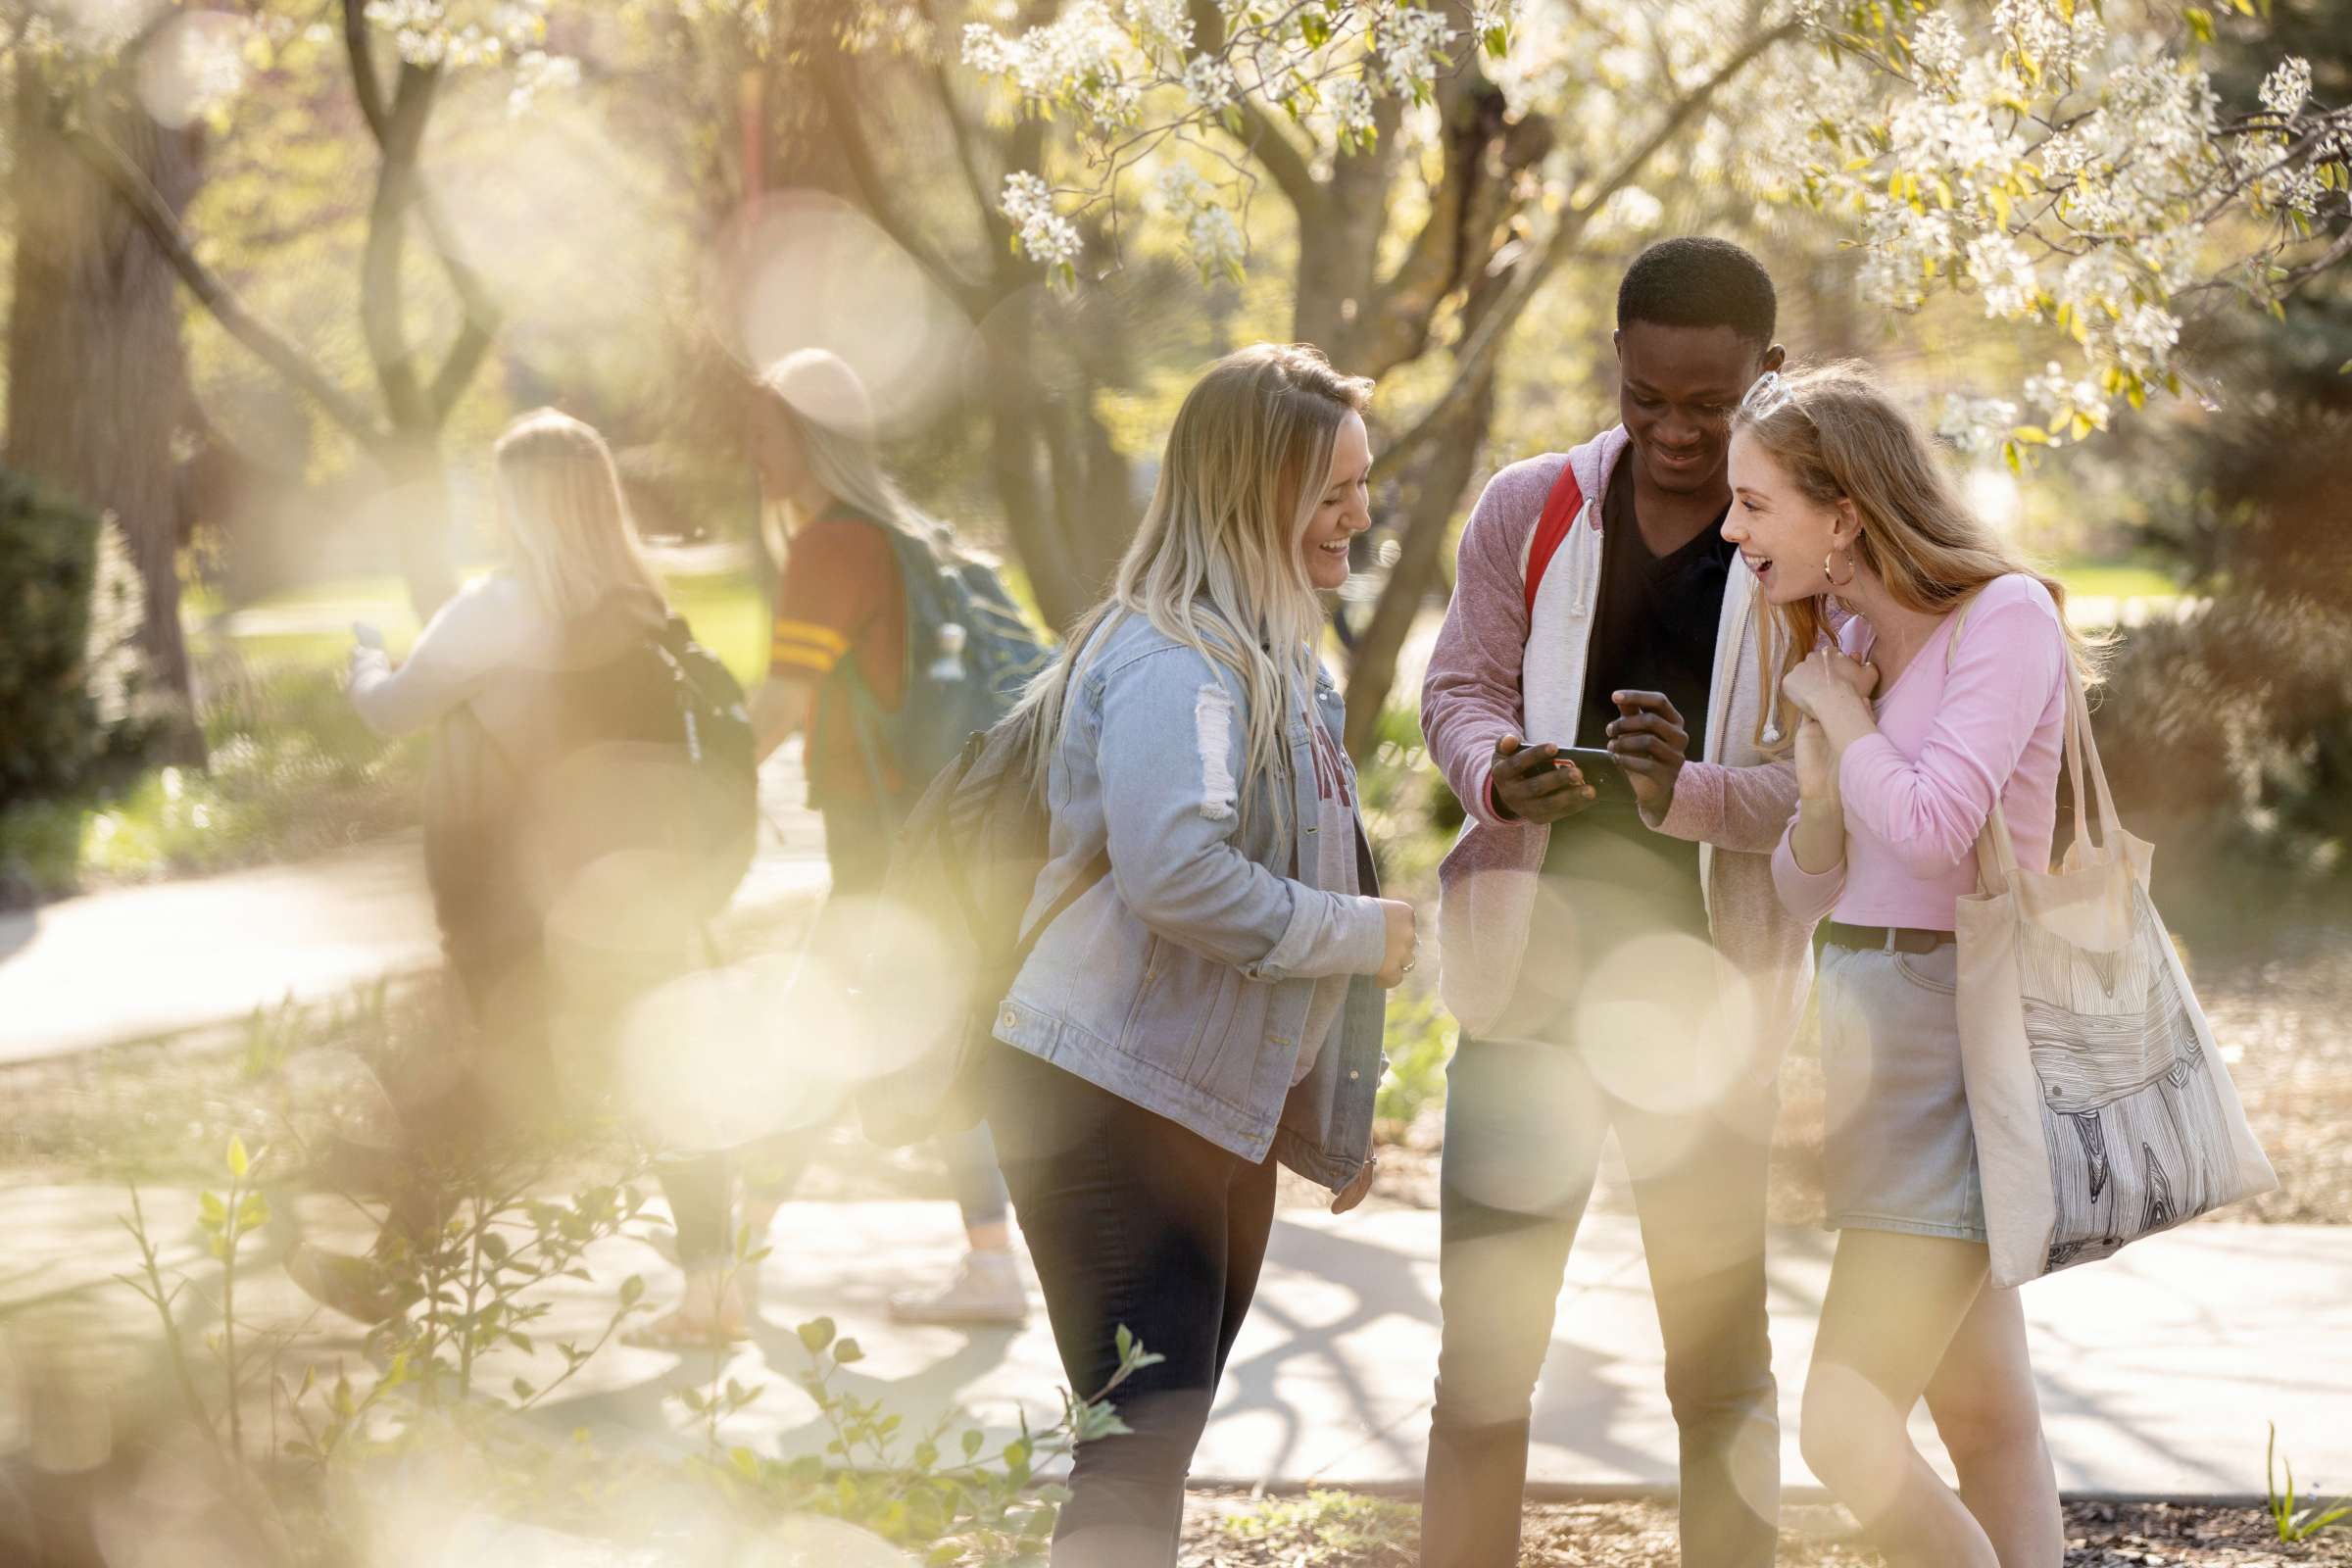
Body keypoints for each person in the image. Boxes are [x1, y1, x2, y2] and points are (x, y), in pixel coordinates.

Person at [1416, 237, 1823, 1567]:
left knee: (1717, 1376)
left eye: (1710, 405)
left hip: (1703, 1020)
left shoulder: (1798, 543)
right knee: (1483, 1370)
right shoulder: (1530, 509)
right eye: (1649, 396)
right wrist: (1496, 772)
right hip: (1526, 1002)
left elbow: (1821, 791)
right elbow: (1458, 689)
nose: (1676, 431)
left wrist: (1683, 792)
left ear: (1770, 375)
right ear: (1617, 362)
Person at [989, 343, 1416, 1566]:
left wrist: (1333, 1108)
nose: (1359, 513)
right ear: (1252, 497)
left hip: (1200, 1108)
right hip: (1105, 1097)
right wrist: (1363, 938)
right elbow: (1178, 875)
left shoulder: (1284, 663)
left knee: (1153, 1441)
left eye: (1362, 481)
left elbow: (1304, 883)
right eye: (1332, 490)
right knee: (1135, 1448)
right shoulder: (1179, 661)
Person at [1734, 362, 2081, 1567]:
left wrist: (1852, 717)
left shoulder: (2007, 621)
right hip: (1873, 1021)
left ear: (1844, 513)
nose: (1732, 530)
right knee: (1987, 1417)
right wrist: (1826, 774)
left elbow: (1937, 827)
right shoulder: (1846, 639)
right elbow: (1806, 884)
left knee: (1843, 1420)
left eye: (1756, 503)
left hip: (1954, 1033)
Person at [640, 349, 1028, 1347]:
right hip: (934, 827)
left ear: (808, 437)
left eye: (766, 432)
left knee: (847, 1033)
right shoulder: (909, 541)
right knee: (847, 1032)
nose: (752, 451)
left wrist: (699, 798)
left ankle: (975, 1263)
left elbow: (780, 702)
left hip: (887, 837)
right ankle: (749, 1250)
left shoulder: (832, 547)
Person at [301, 409, 719, 1320]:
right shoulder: (643, 609)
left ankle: (393, 1269)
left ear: (516, 505)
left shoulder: (496, 608)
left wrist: (365, 661)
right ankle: (713, 1284)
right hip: (628, 884)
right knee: (659, 1069)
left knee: (478, 1070)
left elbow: (394, 712)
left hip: (515, 893)